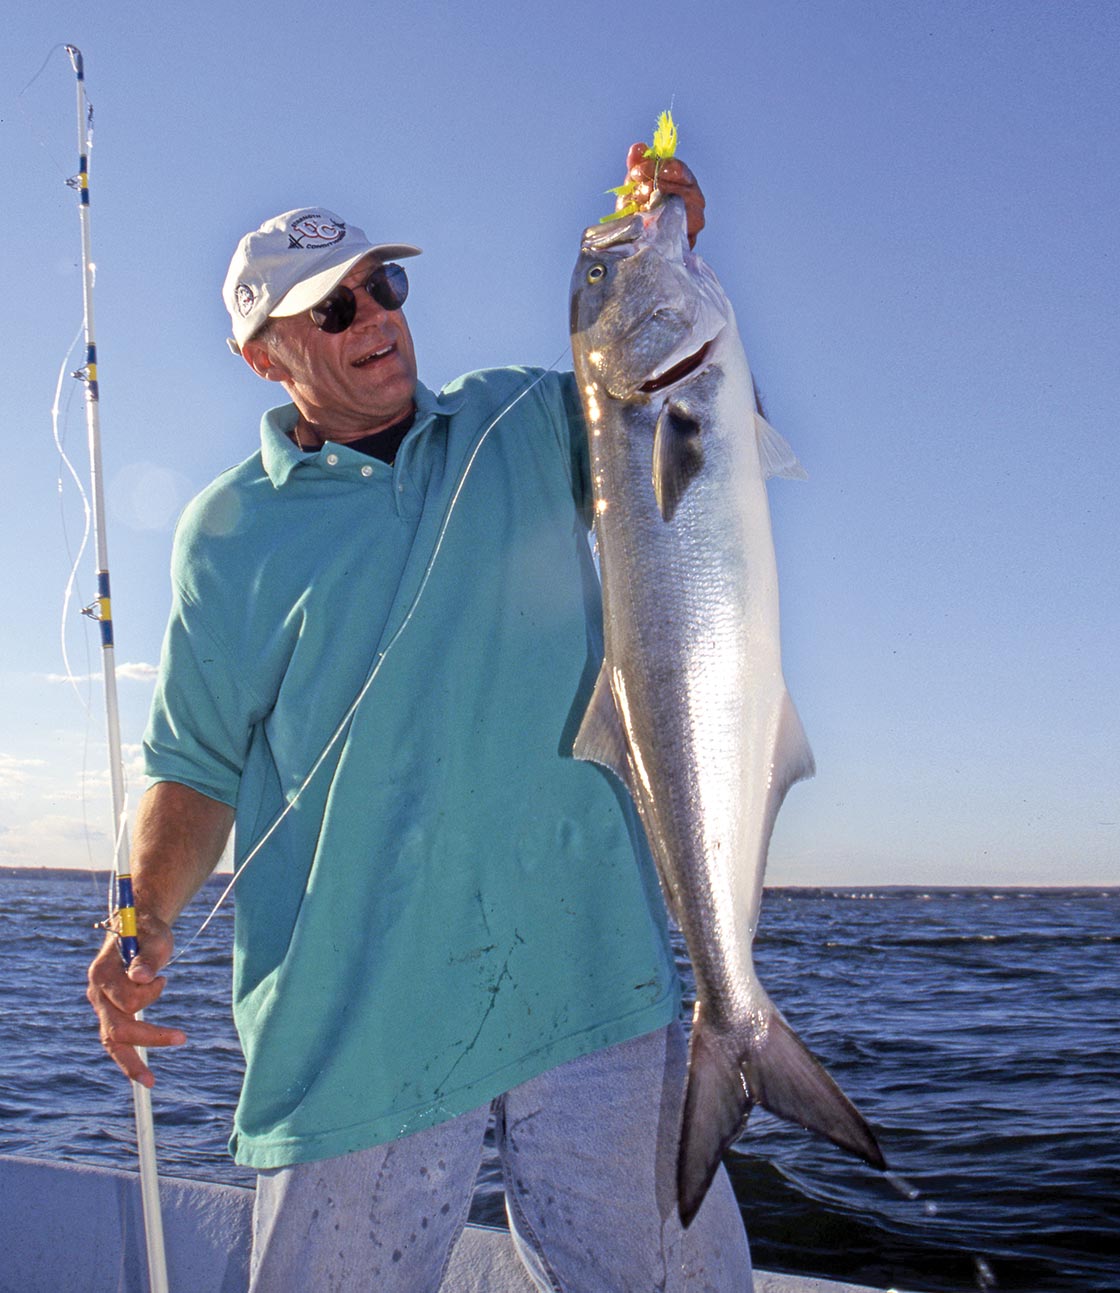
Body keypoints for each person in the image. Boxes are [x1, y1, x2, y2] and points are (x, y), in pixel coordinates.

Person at [87, 145, 753, 1292]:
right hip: (359, 1023)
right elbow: (195, 766)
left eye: (382, 285)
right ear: (264, 356)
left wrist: (667, 252)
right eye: (330, 308)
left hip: (593, 977)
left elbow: (682, 422)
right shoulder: (227, 534)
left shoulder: (524, 423)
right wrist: (142, 916)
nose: (373, 318)